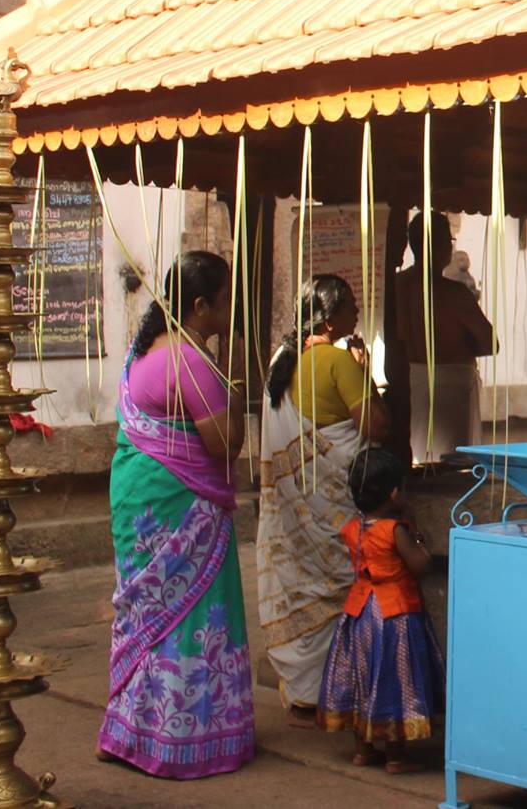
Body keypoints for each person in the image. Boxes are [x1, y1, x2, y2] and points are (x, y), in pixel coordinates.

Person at [98, 250, 256, 778]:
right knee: (189, 611)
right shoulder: (189, 359)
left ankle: (129, 729)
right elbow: (223, 444)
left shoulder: (142, 352)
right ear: (199, 306)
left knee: (145, 612)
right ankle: (182, 736)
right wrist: (233, 397)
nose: (231, 310)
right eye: (225, 301)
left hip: (138, 498)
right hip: (182, 505)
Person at [257, 275, 390, 726]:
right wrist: (365, 371)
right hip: (334, 504)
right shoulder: (339, 362)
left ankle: (303, 692)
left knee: (305, 586)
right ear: (331, 319)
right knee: (345, 588)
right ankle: (341, 692)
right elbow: (375, 429)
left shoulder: (282, 359)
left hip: (296, 509)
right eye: (352, 305)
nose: (358, 313)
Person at [317, 446, 444, 773]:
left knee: (364, 677)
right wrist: (416, 533)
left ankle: (363, 750)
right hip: (394, 614)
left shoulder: (351, 528)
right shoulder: (395, 530)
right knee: (394, 678)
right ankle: (396, 756)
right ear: (395, 494)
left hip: (359, 611)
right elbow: (421, 567)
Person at [394, 211, 493, 464]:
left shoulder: (396, 286)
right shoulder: (454, 294)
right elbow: (489, 342)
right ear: (441, 246)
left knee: (415, 459)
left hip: (408, 380)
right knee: (449, 464)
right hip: (450, 384)